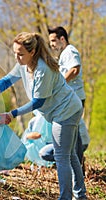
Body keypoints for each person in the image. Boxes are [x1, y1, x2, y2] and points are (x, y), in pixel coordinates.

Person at [0, 32, 87, 200]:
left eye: (20, 54)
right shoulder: (23, 64)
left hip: (66, 111)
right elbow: (7, 80)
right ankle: (80, 196)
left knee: (61, 156)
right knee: (70, 154)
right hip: (66, 109)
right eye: (15, 52)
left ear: (32, 52)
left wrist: (12, 114)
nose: (17, 57)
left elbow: (38, 102)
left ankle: (66, 197)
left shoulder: (42, 69)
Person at [48, 26, 88, 173]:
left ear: (62, 39)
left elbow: (74, 70)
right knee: (72, 134)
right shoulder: (64, 53)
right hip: (70, 99)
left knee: (73, 134)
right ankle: (77, 169)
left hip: (76, 98)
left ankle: (78, 171)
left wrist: (60, 84)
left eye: (53, 40)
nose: (52, 44)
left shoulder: (70, 51)